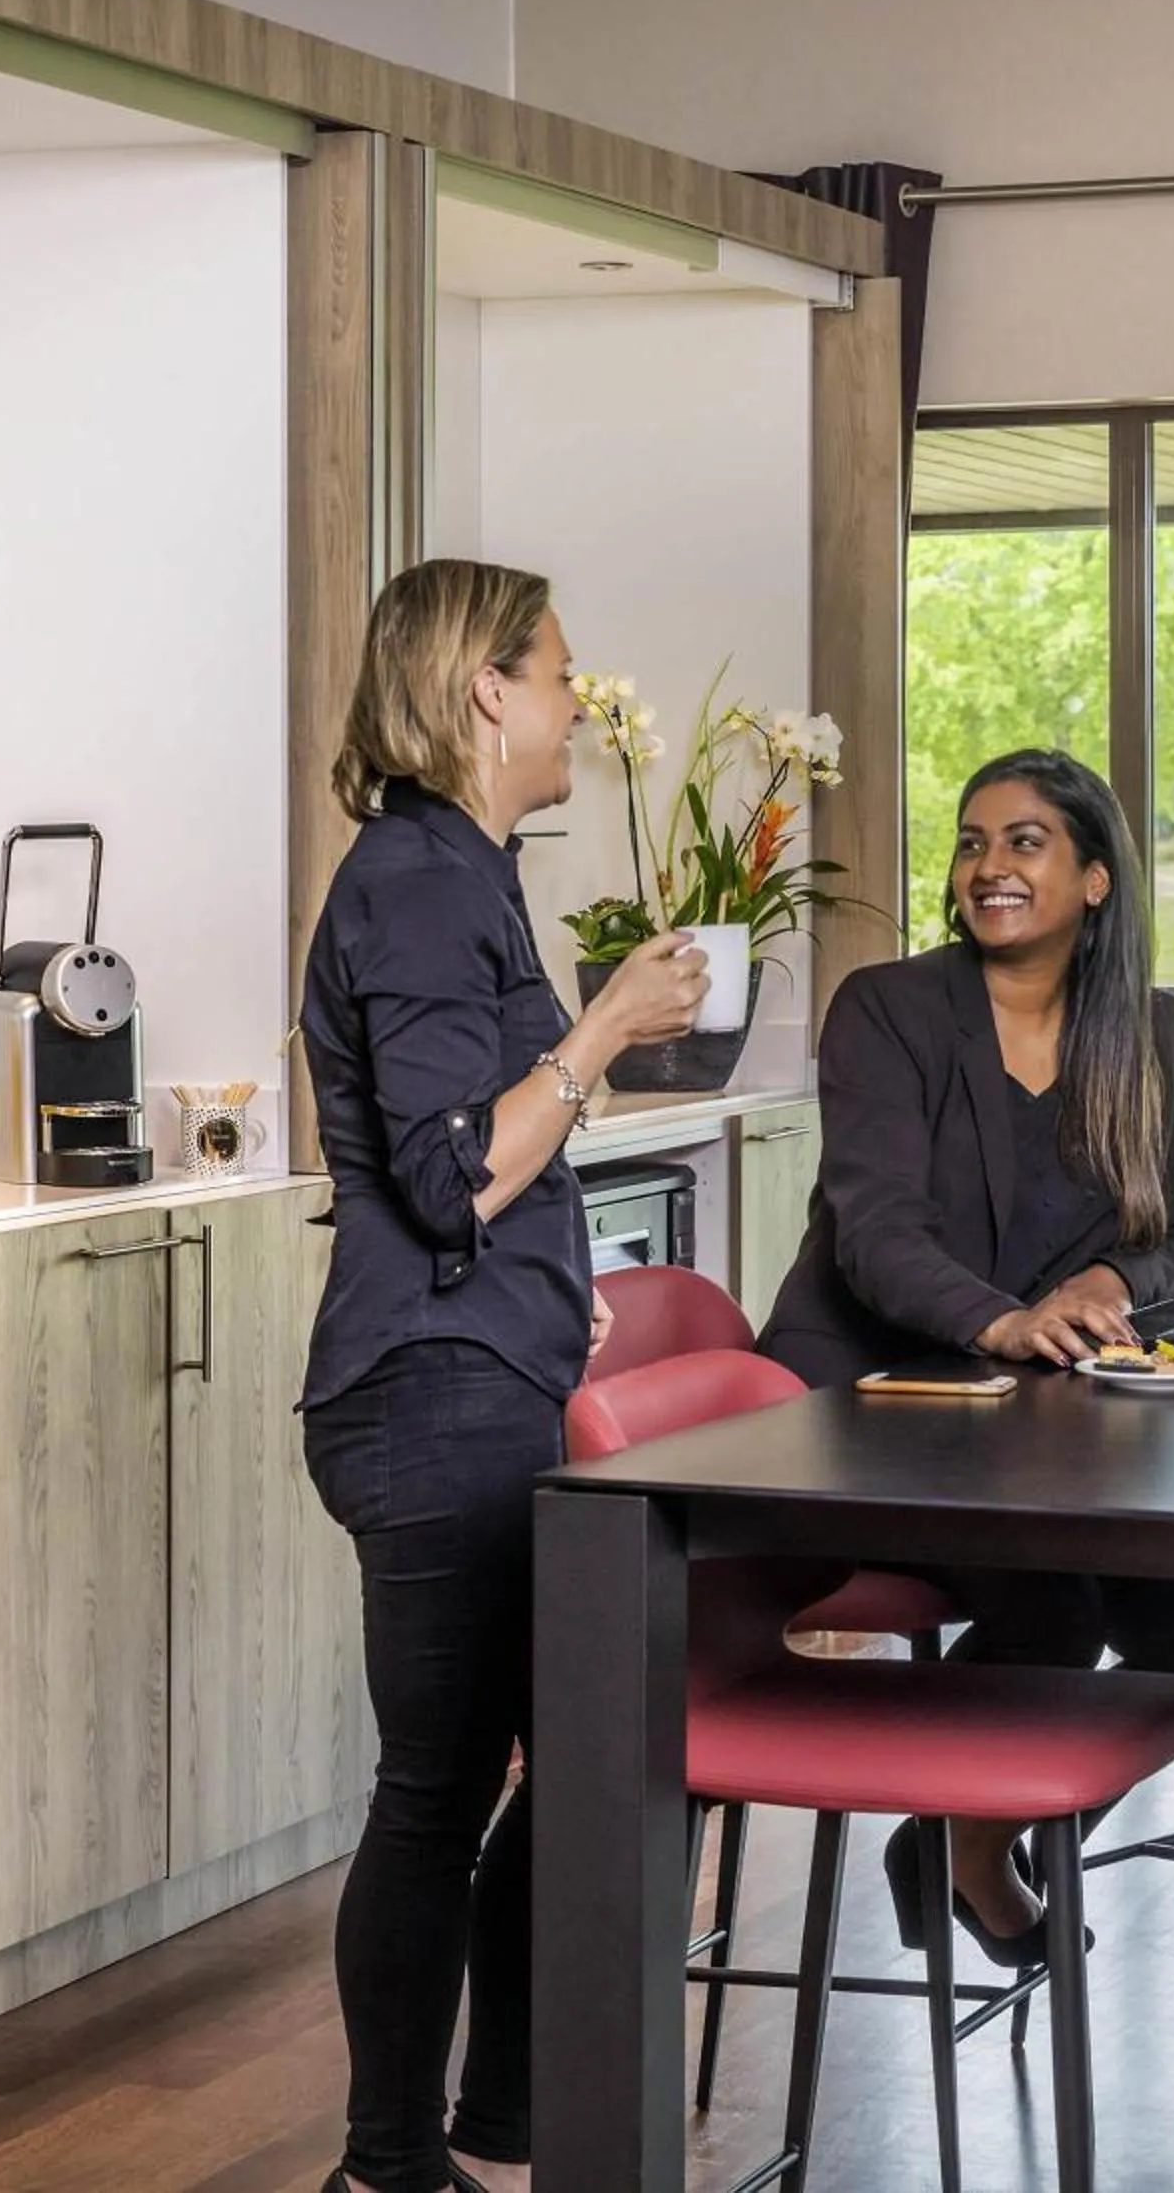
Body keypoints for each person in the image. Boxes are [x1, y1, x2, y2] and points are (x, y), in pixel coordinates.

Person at [299, 559, 710, 2193]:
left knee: (588, 1747)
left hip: (478, 1369)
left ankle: (495, 2135)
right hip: (422, 1396)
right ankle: (395, 2166)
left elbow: (486, 1164)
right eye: (556, 673)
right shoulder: (413, 880)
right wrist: (605, 1023)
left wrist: (561, 1290)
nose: (569, 701)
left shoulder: (463, 872)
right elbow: (453, 1169)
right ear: (483, 691)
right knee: (442, 1790)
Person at [758, 747, 1174, 1964]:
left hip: (1046, 1433)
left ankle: (960, 1840)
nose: (988, 867)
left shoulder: (1151, 1029)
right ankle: (970, 1843)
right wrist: (999, 1320)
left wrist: (1110, 1280)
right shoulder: (887, 1010)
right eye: (971, 843)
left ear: (1096, 878)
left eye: (1025, 842)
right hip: (869, 1414)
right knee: (1053, 1602)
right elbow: (877, 1233)